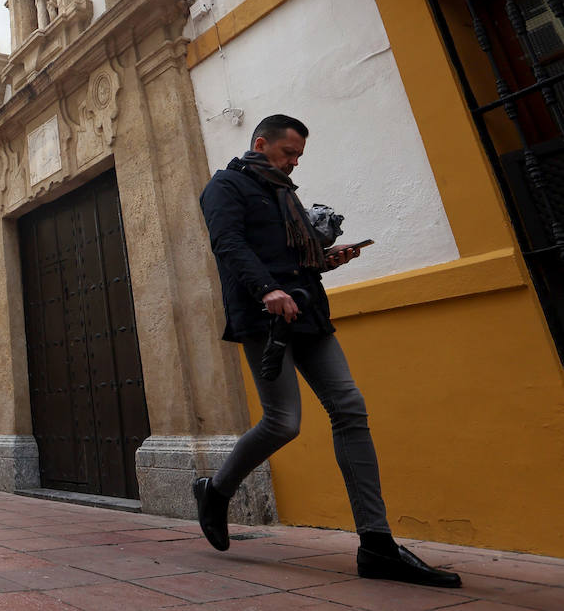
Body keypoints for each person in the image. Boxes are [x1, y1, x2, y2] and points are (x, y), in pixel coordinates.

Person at [195, 114, 461, 589]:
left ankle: (376, 545)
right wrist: (265, 289)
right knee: (283, 423)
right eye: (288, 153)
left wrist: (326, 259)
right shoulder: (225, 187)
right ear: (262, 143)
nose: (294, 163)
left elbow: (297, 257)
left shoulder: (283, 192)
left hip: (308, 312)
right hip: (265, 316)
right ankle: (215, 491)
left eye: (298, 156)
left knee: (350, 409)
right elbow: (227, 244)